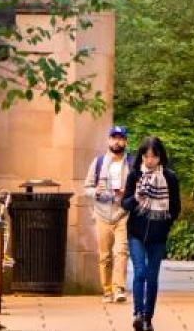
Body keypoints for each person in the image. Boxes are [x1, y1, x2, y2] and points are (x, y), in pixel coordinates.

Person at [121, 137, 180, 331]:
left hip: (158, 234)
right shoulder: (135, 175)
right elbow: (125, 203)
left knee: (152, 277)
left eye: (154, 156)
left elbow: (175, 207)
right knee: (140, 272)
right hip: (136, 231)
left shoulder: (169, 177)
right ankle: (138, 313)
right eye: (146, 156)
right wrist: (136, 197)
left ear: (160, 157)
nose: (150, 160)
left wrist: (165, 223)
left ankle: (148, 316)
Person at [83, 126, 132, 303]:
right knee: (105, 255)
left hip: (122, 214)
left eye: (121, 138)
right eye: (114, 138)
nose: (117, 141)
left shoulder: (131, 164)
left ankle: (119, 288)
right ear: (108, 140)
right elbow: (86, 188)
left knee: (121, 252)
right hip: (102, 214)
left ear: (125, 141)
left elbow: (138, 188)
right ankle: (107, 290)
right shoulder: (98, 162)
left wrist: (128, 192)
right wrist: (95, 191)